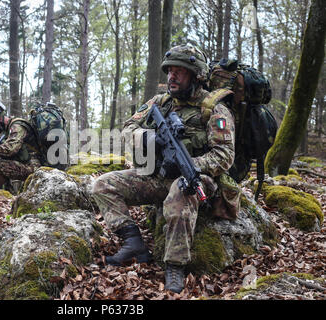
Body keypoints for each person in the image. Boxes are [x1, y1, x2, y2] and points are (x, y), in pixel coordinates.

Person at [92, 44, 240, 293]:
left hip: (199, 180)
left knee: (180, 192)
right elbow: (128, 128)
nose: (172, 76)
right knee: (102, 184)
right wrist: (151, 139)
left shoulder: (214, 109)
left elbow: (224, 156)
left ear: (196, 75)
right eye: (170, 71)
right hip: (159, 176)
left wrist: (190, 164)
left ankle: (174, 265)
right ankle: (133, 243)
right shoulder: (160, 102)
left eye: (179, 72)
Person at [0, 103, 42, 193]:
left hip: (35, 167)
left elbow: (10, 149)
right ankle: (9, 193)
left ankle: (8, 195)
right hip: (28, 164)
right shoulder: (10, 129)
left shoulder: (17, 126)